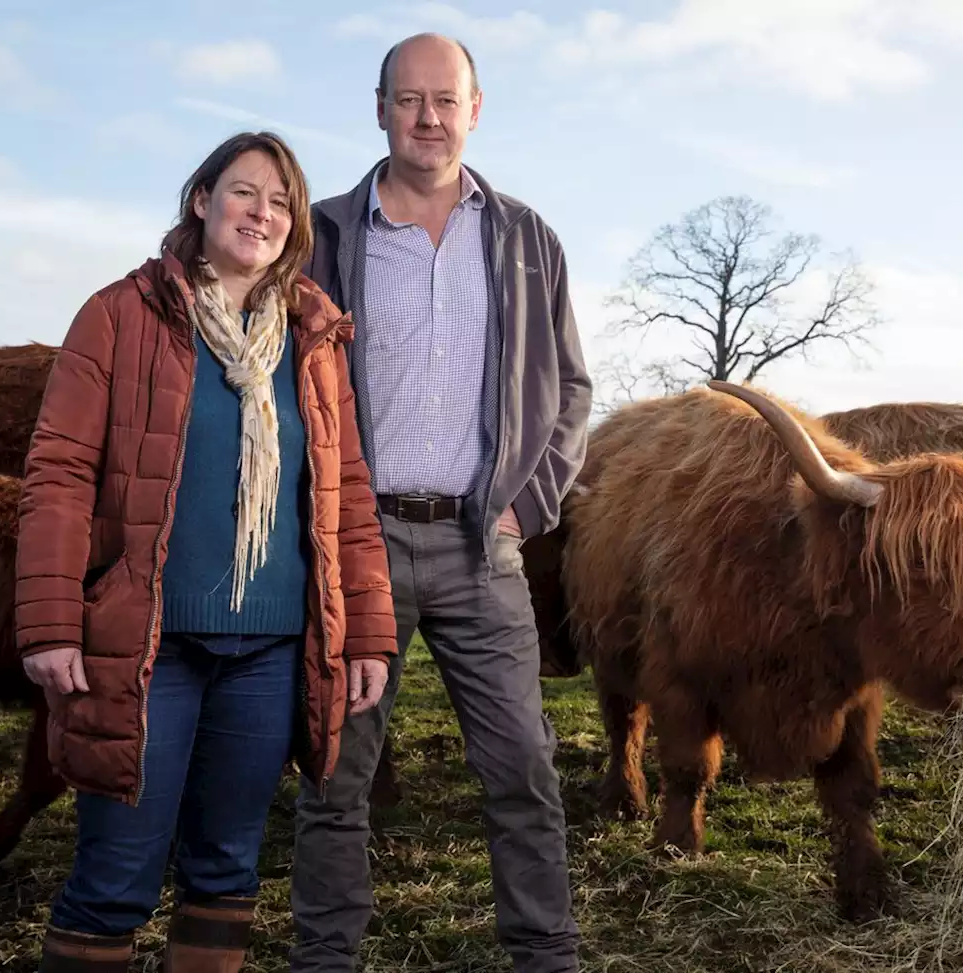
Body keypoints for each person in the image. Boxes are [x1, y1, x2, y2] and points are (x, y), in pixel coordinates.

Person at [15, 130, 398, 973]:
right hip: (148, 647)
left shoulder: (313, 335)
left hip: (268, 653)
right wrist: (48, 621)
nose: (261, 213)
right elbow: (60, 472)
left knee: (224, 870)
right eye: (242, 192)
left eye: (280, 200)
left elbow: (348, 495)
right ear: (201, 200)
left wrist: (367, 631)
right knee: (117, 872)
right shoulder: (121, 314)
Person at [290, 31, 592, 973]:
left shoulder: (527, 238)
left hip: (480, 543)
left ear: (476, 108)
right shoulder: (324, 236)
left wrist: (521, 506)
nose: (428, 117)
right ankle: (325, 957)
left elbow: (572, 389)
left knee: (523, 771)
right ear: (379, 107)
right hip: (356, 541)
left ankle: (546, 954)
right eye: (409, 98)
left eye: (445, 99)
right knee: (336, 775)